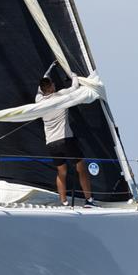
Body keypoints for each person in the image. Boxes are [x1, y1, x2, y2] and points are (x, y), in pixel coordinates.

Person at [37, 74, 96, 207]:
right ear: (52, 87)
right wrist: (73, 75)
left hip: (51, 144)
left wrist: (46, 74)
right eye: (53, 84)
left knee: (61, 172)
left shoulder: (38, 100)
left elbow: (39, 90)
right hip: (66, 140)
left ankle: (64, 202)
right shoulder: (60, 96)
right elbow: (75, 86)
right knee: (81, 168)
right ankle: (89, 200)